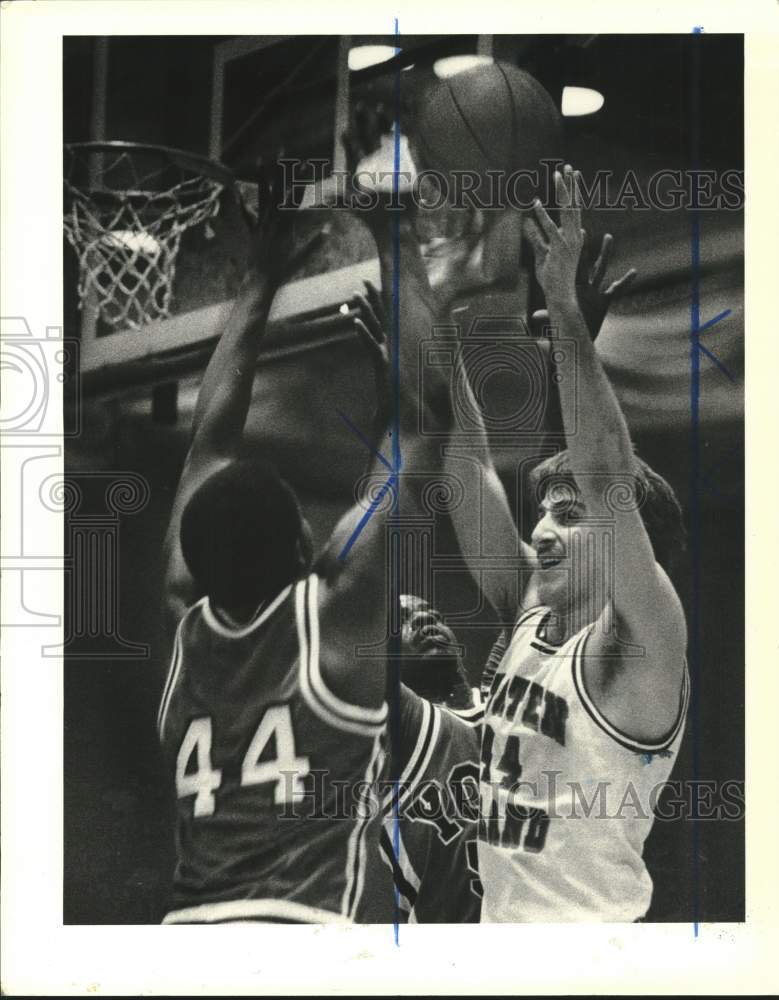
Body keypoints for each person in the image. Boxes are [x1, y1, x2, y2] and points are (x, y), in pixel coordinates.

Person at [156, 157, 453, 925]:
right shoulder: (329, 625)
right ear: (301, 543)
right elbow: (424, 422)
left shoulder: (187, 624)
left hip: (179, 943)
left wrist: (258, 282)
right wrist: (394, 233)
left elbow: (205, 451)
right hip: (298, 936)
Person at [455, 166, 689, 922]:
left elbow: (604, 472)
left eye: (567, 515)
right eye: (544, 513)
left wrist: (561, 311)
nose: (539, 532)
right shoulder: (529, 608)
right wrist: (430, 330)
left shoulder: (643, 644)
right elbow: (463, 469)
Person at [379, 596, 482, 923]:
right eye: (402, 620)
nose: (425, 620)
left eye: (434, 614)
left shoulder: (507, 711)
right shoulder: (395, 734)